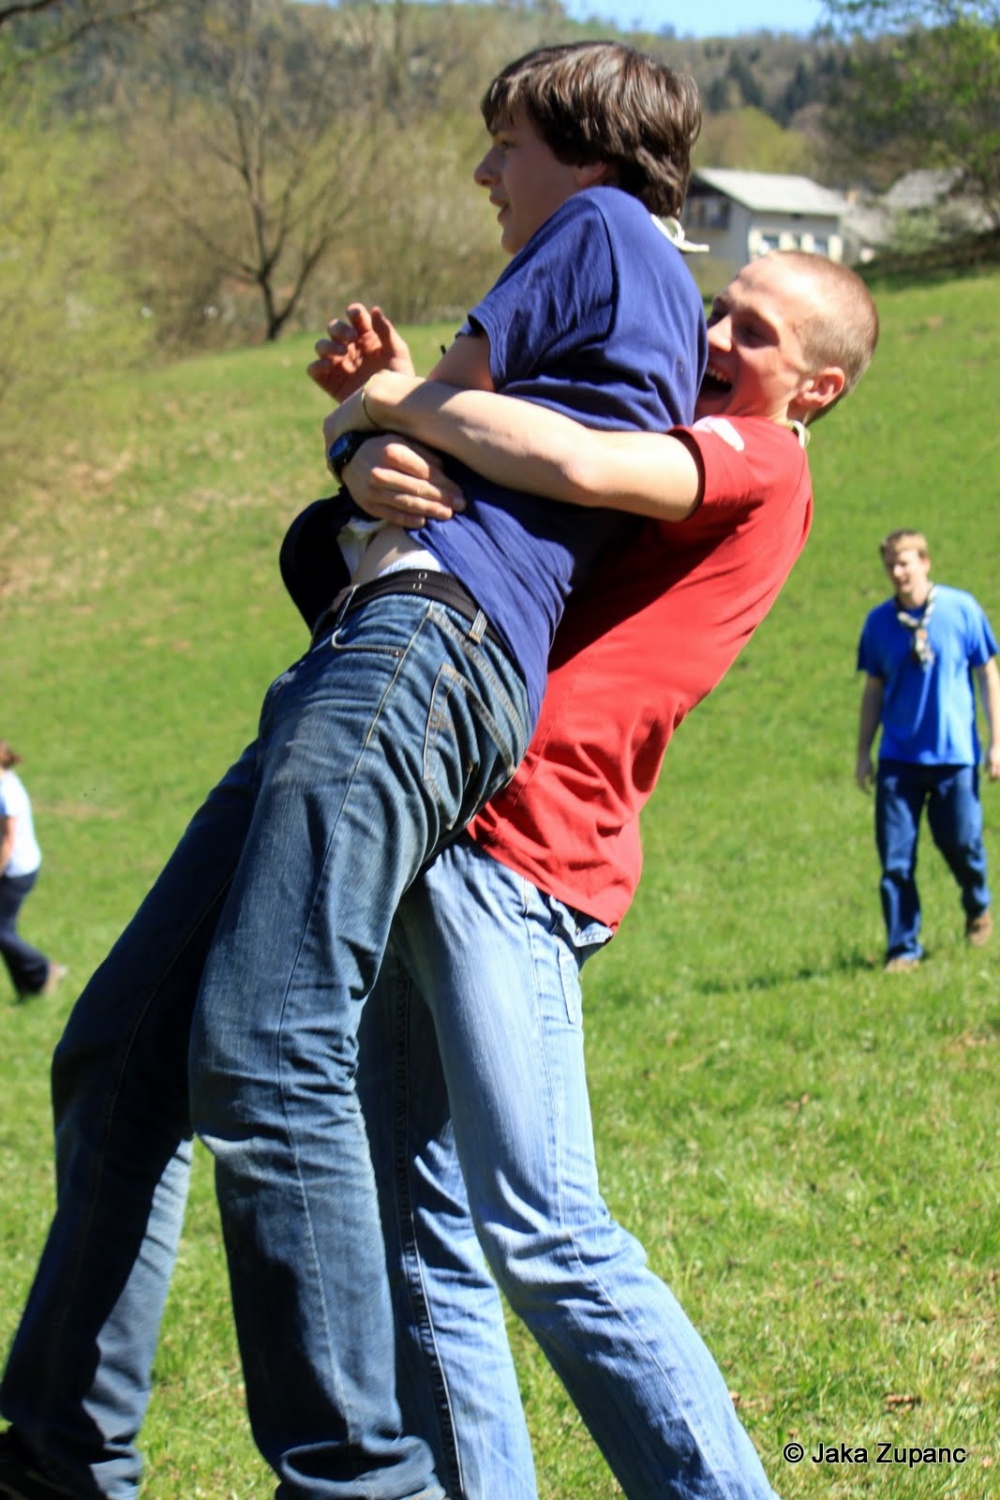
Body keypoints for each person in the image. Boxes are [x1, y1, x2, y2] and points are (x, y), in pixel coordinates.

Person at [0, 250, 878, 1500]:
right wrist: (366, 445)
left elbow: (558, 465)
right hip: (446, 823)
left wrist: (397, 398)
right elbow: (464, 517)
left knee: (545, 1230)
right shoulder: (655, 435)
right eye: (718, 307)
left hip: (524, 841)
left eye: (757, 331)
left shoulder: (754, 458)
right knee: (422, 1234)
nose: (716, 334)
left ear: (818, 388)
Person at [855, 529, 999, 972]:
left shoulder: (962, 610)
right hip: (899, 759)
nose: (898, 572)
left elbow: (987, 673)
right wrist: (863, 751)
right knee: (896, 858)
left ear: (925, 562)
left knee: (963, 843)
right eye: (892, 565)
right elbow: (873, 690)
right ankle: (903, 948)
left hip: (955, 755)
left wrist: (997, 741)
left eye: (906, 562)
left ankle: (977, 905)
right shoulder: (879, 624)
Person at [0, 741, 66, 1001]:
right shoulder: (6, 782)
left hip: (16, 871)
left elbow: (8, 840)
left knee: (2, 932)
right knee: (5, 932)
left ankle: (45, 969)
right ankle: (30, 988)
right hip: (15, 868)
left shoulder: (7, 792)